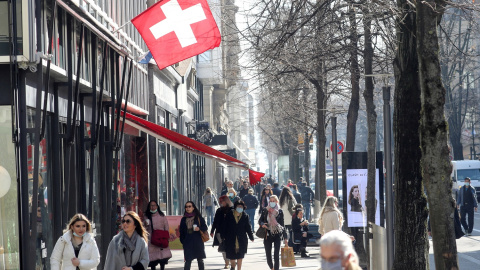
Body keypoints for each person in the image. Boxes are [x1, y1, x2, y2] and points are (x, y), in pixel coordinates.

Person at [258, 195, 288, 270]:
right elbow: (260, 220)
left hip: (277, 234)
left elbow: (282, 224)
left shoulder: (280, 211)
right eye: (270, 201)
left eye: (273, 201)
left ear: (276, 201)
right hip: (267, 234)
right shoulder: (265, 210)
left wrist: (285, 238)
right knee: (268, 254)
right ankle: (271, 267)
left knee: (276, 254)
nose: (271, 202)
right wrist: (262, 224)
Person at [223, 201, 254, 270]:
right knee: (232, 256)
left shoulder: (245, 216)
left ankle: (239, 269)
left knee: (240, 255)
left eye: (241, 207)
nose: (240, 208)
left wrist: (251, 236)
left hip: (241, 238)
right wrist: (223, 236)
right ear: (235, 207)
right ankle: (233, 266)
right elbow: (225, 226)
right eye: (238, 206)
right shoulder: (229, 215)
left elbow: (248, 227)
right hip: (230, 238)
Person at [180, 201, 208, 270]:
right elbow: (181, 231)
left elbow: (205, 227)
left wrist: (199, 229)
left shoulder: (198, 218)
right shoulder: (183, 219)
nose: (188, 208)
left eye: (189, 206)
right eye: (186, 207)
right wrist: (183, 241)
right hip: (188, 242)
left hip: (197, 241)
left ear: (193, 208)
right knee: (188, 260)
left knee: (200, 260)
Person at [144, 200, 172, 270]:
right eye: (151, 205)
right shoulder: (146, 216)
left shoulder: (162, 215)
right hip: (151, 239)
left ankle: (162, 268)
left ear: (157, 206)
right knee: (152, 258)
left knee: (162, 257)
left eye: (154, 205)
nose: (152, 207)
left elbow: (166, 227)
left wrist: (166, 237)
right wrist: (145, 224)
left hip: (161, 238)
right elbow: (144, 229)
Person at [211, 195, 234, 269]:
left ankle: (231, 260)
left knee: (230, 247)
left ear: (226, 201)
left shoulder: (232, 210)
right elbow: (215, 221)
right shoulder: (219, 210)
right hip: (220, 232)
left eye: (222, 201)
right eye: (220, 202)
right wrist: (212, 231)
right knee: (223, 247)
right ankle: (226, 262)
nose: (221, 203)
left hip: (230, 232)